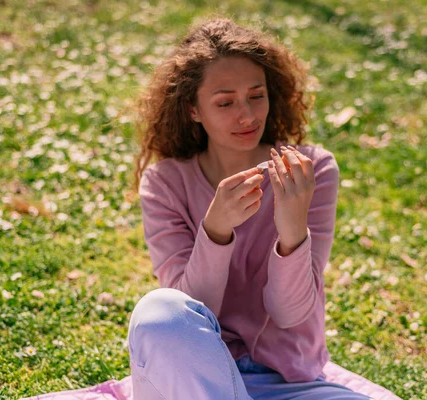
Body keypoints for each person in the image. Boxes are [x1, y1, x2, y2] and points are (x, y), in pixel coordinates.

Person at [127, 17, 370, 400]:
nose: (248, 115)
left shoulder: (310, 170)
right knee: (159, 308)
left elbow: (291, 315)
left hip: (289, 382)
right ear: (193, 109)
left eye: (257, 96)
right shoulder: (165, 183)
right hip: (195, 378)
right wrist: (216, 230)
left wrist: (292, 232)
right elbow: (189, 317)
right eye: (225, 102)